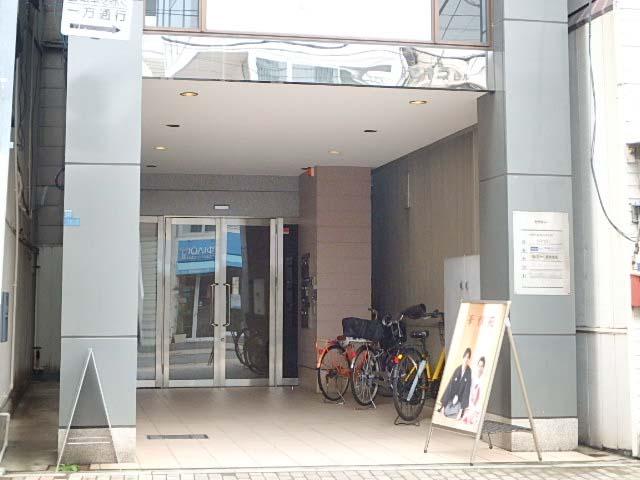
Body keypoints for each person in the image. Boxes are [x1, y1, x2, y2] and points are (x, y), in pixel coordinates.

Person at [439, 347, 473, 420]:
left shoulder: (469, 372)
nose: (466, 359)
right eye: (465, 357)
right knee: (446, 410)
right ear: (463, 357)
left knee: (458, 413)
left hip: (460, 400)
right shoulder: (457, 369)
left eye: (468, 357)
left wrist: (461, 410)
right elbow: (450, 387)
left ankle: (457, 412)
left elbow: (466, 392)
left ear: (469, 359)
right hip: (452, 398)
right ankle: (445, 409)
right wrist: (444, 405)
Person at [462, 356, 486, 426]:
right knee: (469, 412)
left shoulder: (483, 379)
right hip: (470, 399)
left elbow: (480, 395)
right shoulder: (473, 376)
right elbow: (469, 389)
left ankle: (471, 416)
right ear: (477, 366)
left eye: (481, 366)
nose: (480, 368)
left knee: (475, 412)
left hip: (476, 401)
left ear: (483, 367)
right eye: (479, 366)